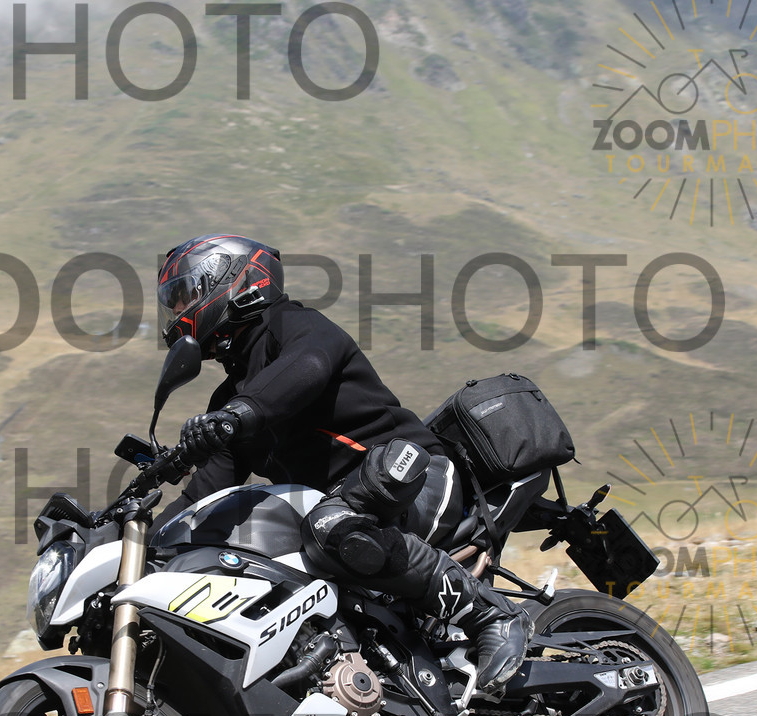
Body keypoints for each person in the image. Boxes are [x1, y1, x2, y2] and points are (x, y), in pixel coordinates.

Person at [154, 233, 530, 691]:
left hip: (415, 475)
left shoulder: (295, 326)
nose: (179, 310)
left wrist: (238, 414)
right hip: (349, 507)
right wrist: (140, 547)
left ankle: (493, 614)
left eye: (185, 294)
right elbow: (201, 501)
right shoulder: (231, 399)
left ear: (237, 280)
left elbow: (307, 367)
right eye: (173, 301)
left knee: (330, 526)